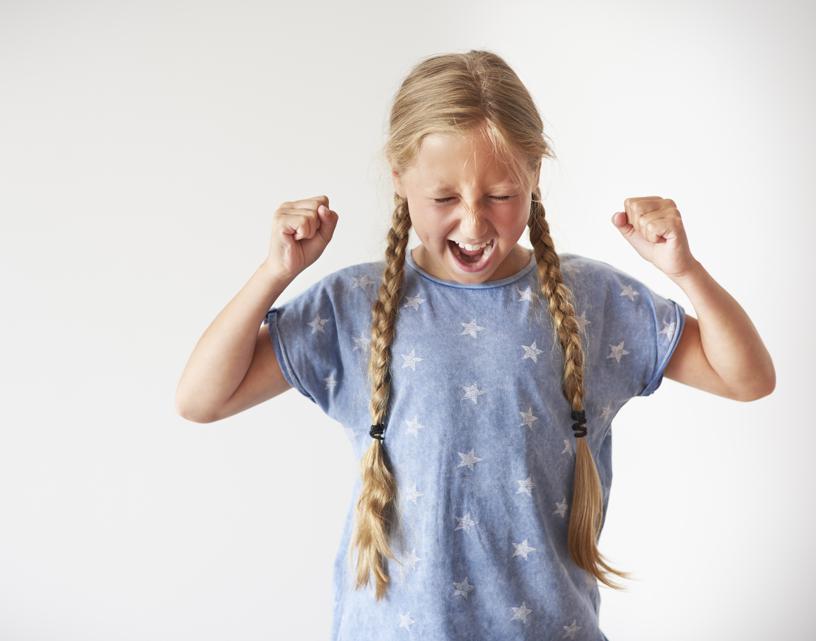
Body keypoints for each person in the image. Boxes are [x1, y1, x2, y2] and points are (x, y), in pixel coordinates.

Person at [175, 50, 775, 640]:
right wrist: (273, 274)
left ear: (535, 175)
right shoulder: (353, 305)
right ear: (399, 177)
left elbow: (748, 378)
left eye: (500, 195)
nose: (472, 223)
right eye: (443, 199)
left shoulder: (591, 298)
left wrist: (685, 269)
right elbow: (202, 399)